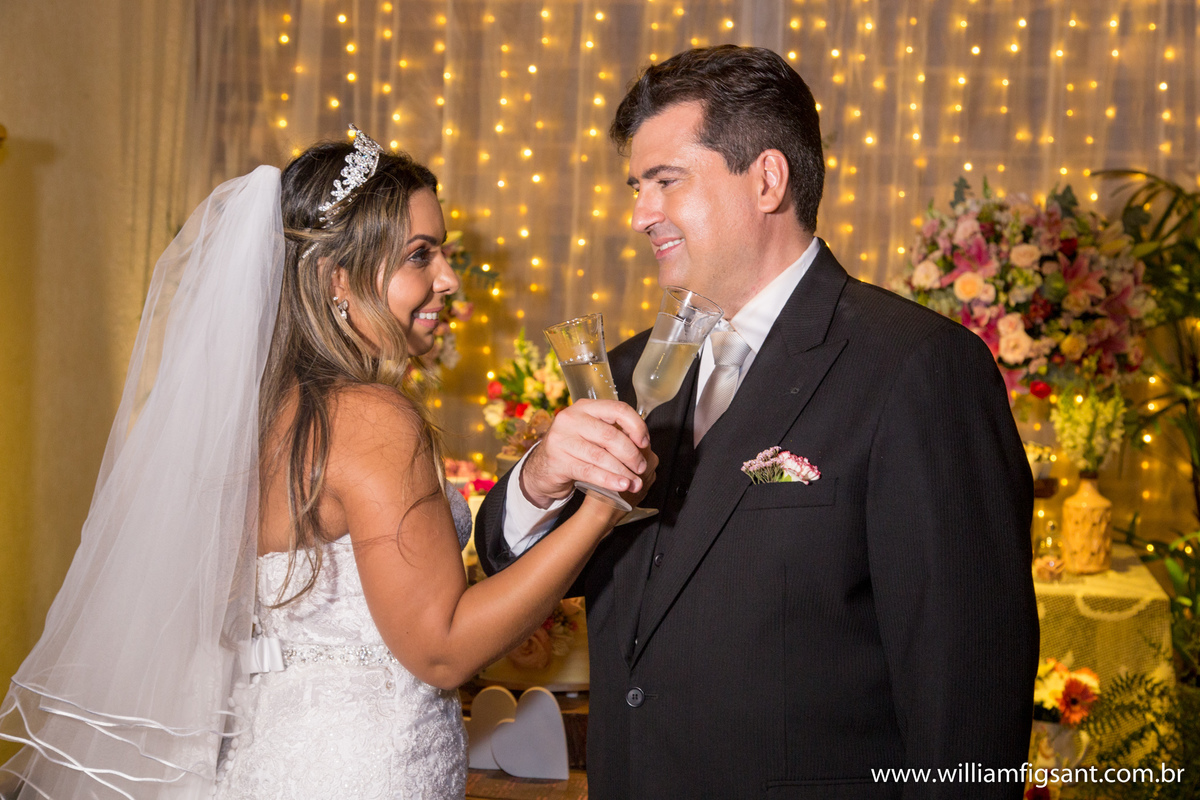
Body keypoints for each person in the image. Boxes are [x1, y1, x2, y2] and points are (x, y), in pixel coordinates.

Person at [0, 128, 654, 799]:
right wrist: (602, 506)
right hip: (362, 770)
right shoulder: (371, 418)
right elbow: (442, 650)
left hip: (266, 762)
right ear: (338, 279)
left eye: (443, 252)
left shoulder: (259, 415)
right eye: (420, 255)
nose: (449, 280)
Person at [477, 46, 1038, 799]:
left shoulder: (918, 369)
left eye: (665, 182)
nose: (639, 215)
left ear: (767, 179)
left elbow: (968, 695)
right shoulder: (631, 370)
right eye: (637, 187)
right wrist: (539, 480)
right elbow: (512, 568)